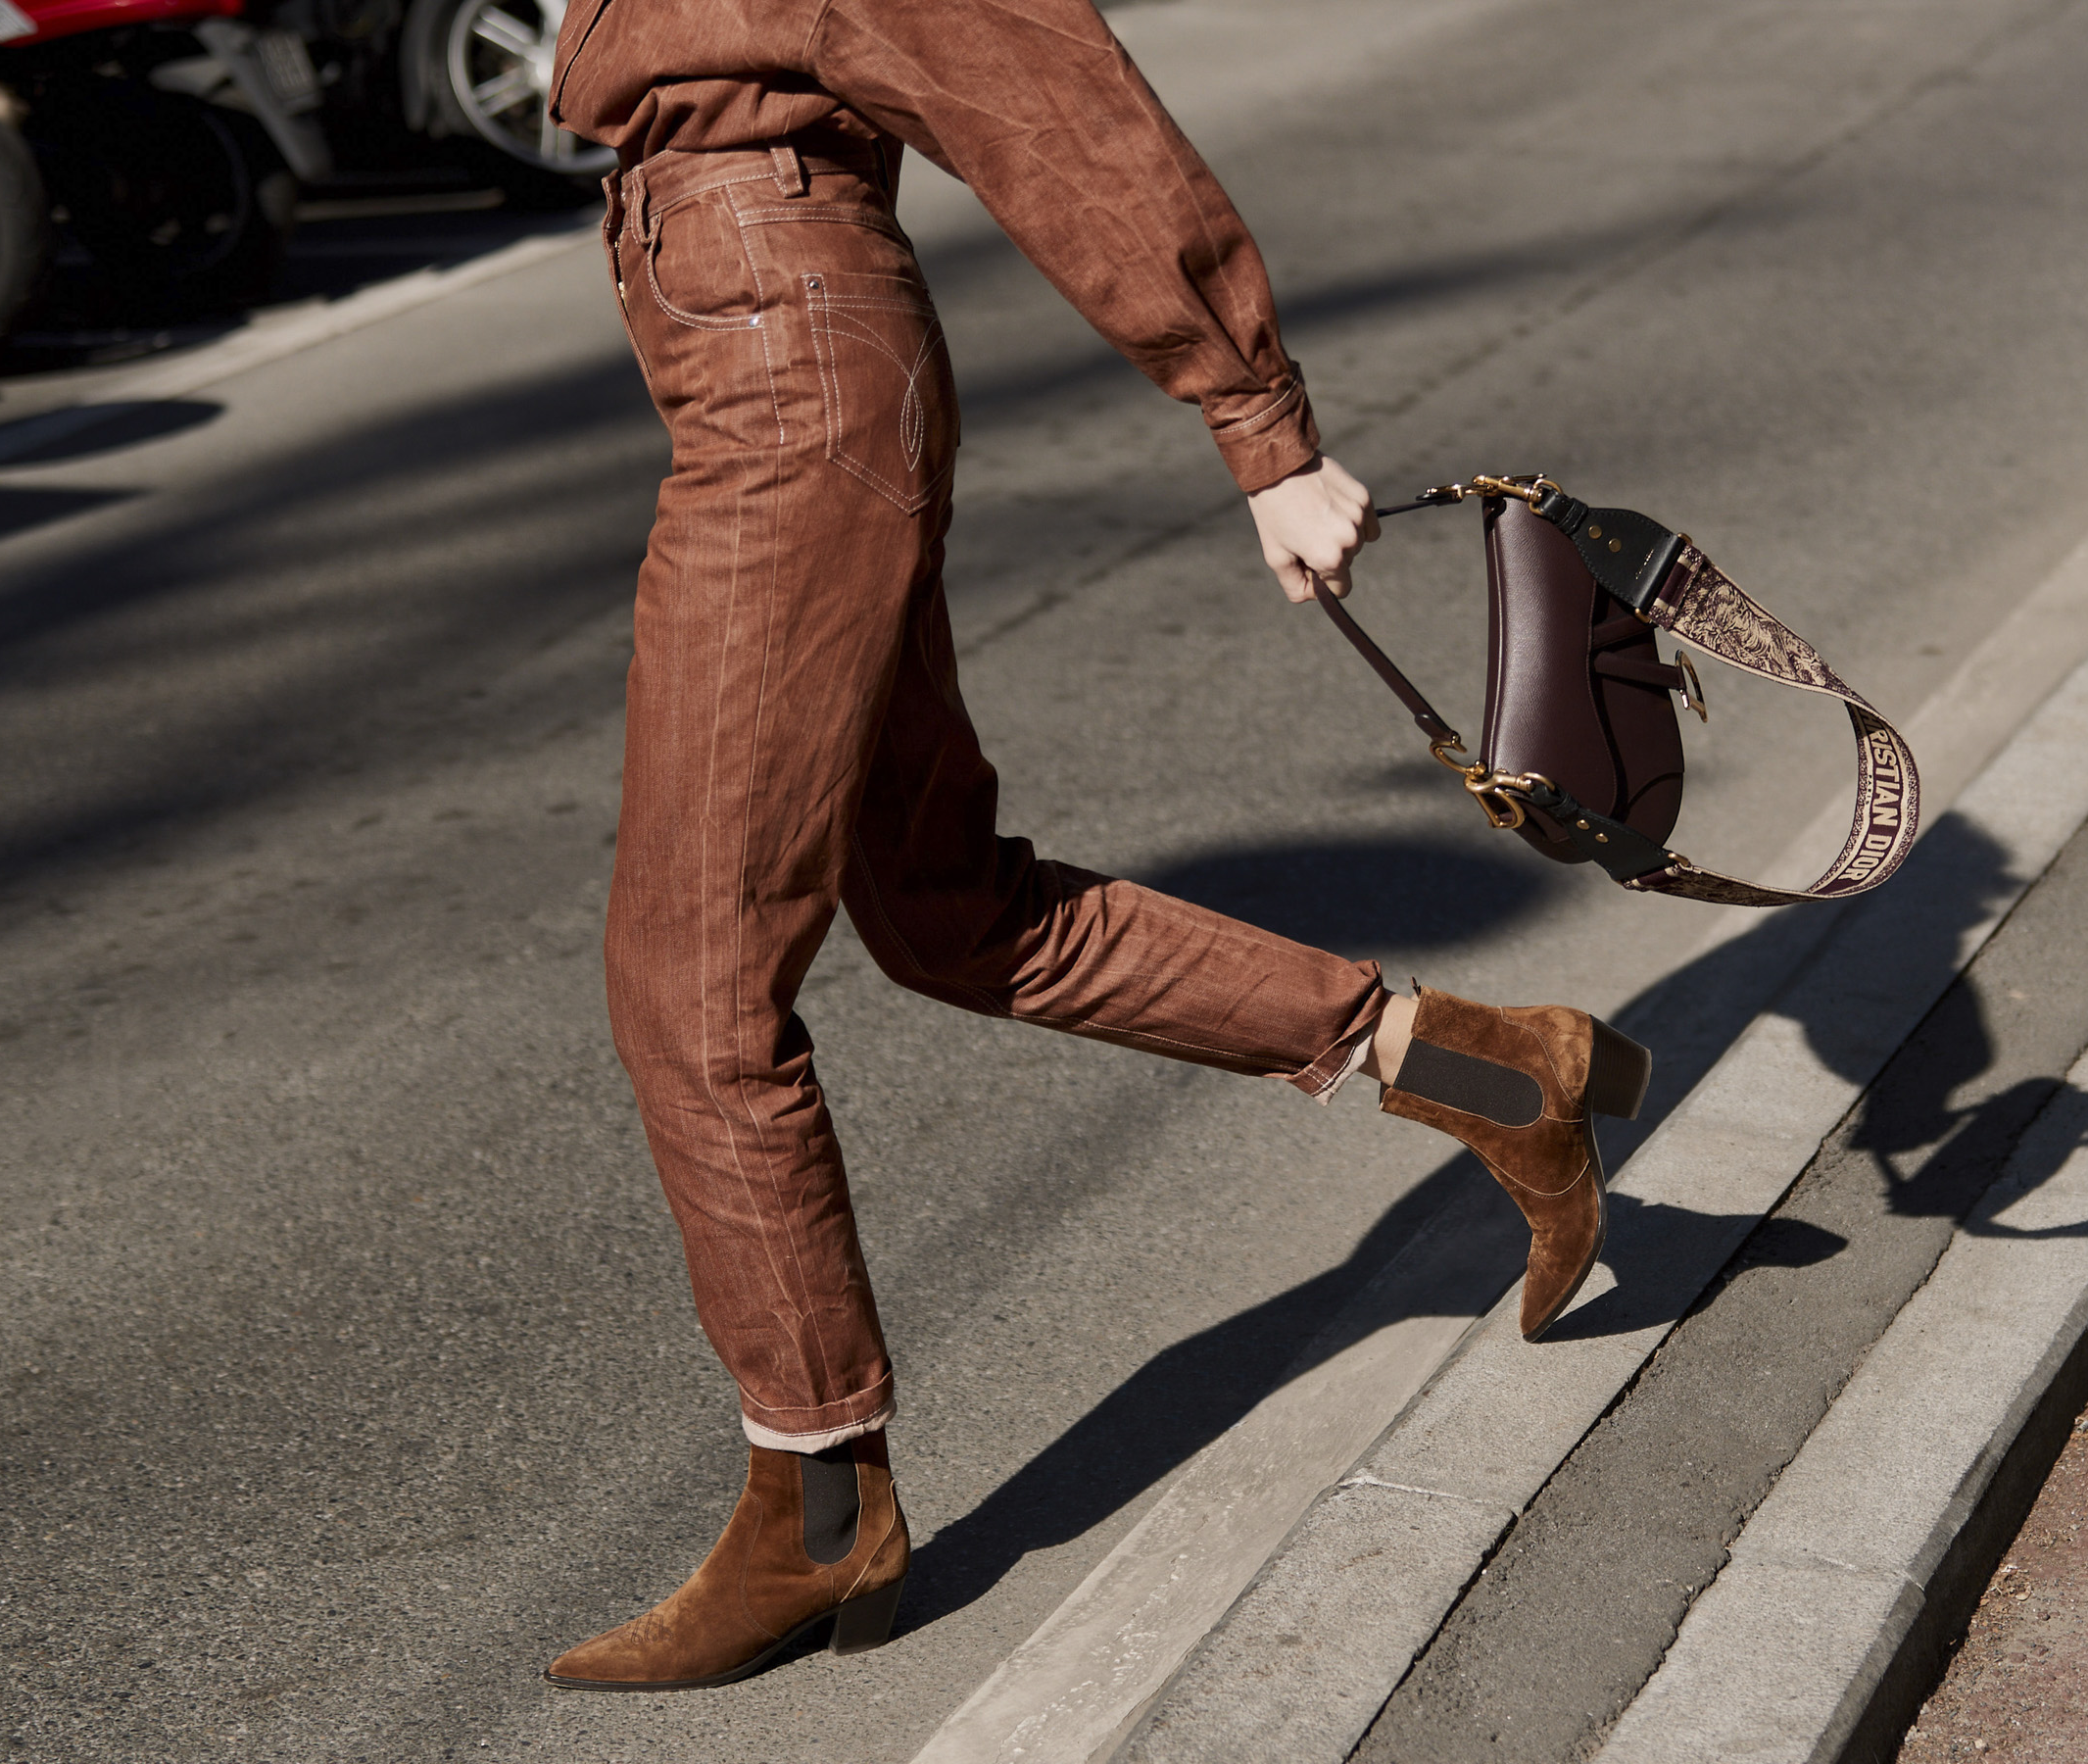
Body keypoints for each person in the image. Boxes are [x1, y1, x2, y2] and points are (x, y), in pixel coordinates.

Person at [538, 0, 1653, 1691]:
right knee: (951, 910)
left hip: (786, 384)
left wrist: (1261, 427)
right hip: (766, 358)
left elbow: (1032, 75)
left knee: (692, 987)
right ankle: (1483, 1066)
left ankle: (817, 1504)